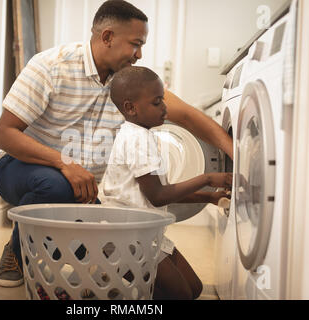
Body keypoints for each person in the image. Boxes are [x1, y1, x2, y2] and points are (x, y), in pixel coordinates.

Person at [0, 0, 233, 291]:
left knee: (103, 245)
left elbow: (192, 118)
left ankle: (69, 262)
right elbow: (4, 134)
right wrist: (64, 163)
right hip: (23, 167)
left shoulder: (129, 86)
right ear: (107, 37)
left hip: (90, 189)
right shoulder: (51, 66)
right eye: (136, 44)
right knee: (57, 187)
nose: (140, 54)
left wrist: (236, 152)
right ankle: (17, 252)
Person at [99, 66, 232, 299]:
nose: (165, 108)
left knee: (194, 289)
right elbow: (158, 196)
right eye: (157, 102)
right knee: (180, 295)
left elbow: (163, 191)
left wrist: (209, 196)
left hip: (145, 232)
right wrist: (207, 179)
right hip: (125, 238)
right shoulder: (137, 139)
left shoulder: (144, 135)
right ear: (131, 108)